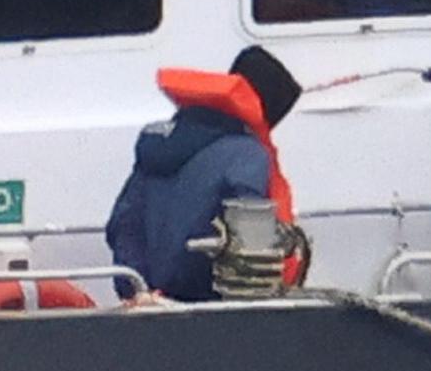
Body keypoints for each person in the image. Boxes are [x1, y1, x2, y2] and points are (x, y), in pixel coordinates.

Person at [105, 47, 303, 303]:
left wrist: (137, 291)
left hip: (144, 306)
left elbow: (122, 224)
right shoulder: (246, 156)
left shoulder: (160, 145)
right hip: (212, 315)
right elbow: (252, 250)